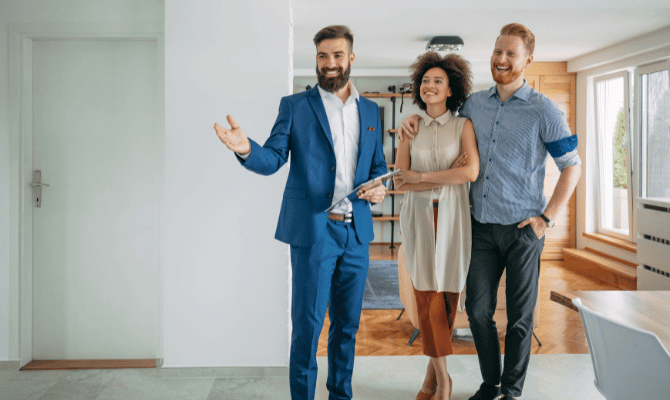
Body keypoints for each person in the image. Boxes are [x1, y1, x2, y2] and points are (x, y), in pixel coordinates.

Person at [399, 23, 582, 400]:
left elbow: (572, 166)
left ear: (527, 60)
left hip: (523, 230)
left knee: (519, 318)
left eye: (510, 54)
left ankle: (511, 392)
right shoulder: (473, 106)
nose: (501, 59)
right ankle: (490, 383)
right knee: (478, 311)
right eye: (498, 51)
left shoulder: (545, 109)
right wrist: (411, 120)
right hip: (479, 227)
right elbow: (440, 117)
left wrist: (546, 219)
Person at [214, 25, 387, 400]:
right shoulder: (294, 106)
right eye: (322, 56)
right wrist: (246, 148)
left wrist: (380, 186)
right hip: (314, 231)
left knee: (347, 327)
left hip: (356, 233)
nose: (329, 63)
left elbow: (377, 166)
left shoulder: (370, 110)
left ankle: (341, 395)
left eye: (337, 55)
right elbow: (273, 158)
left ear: (351, 58)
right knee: (307, 328)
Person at [393, 52, 479, 400]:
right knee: (426, 296)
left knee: (446, 298)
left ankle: (431, 380)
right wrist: (445, 177)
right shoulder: (409, 126)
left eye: (438, 81)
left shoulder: (463, 127)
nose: (430, 86)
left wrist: (422, 177)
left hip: (453, 219)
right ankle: (444, 381)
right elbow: (400, 181)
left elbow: (469, 172)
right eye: (425, 80)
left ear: (450, 90)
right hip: (419, 219)